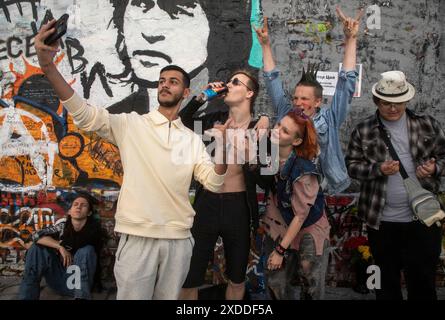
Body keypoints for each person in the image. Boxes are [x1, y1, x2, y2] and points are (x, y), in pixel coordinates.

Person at [34, 20, 228, 300]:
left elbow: (213, 182)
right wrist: (48, 66)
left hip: (178, 240)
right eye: (162, 81)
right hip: (138, 239)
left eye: (173, 82)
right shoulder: (132, 125)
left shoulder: (191, 139)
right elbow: (84, 115)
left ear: (185, 92)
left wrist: (222, 150)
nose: (165, 85)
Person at [345, 70, 445, 300]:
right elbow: (351, 166)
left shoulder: (427, 125)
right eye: (386, 103)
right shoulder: (363, 130)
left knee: (423, 285)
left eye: (399, 103)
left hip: (423, 220)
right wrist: (378, 169)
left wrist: (435, 168)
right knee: (384, 285)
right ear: (377, 101)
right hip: (381, 222)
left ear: (407, 100)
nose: (393, 108)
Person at [178, 70, 273, 300]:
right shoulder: (214, 120)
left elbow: (269, 180)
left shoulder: (260, 128)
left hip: (238, 207)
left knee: (237, 277)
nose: (229, 85)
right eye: (229, 81)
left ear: (249, 93)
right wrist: (204, 96)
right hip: (206, 203)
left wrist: (251, 156)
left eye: (235, 82)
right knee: (189, 276)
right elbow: (183, 120)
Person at [254, 7, 361, 194]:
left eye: (304, 98)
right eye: (295, 97)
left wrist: (351, 39)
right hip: (286, 186)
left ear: (318, 102)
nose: (297, 102)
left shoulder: (330, 119)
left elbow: (346, 83)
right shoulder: (285, 112)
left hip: (323, 189)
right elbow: (272, 79)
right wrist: (265, 45)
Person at [106, 0, 255, 114]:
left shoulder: (218, 121)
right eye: (141, 3)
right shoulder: (118, 118)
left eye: (179, 10)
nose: (150, 33)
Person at [261, 109, 330, 300]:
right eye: (278, 125)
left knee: (311, 282)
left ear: (297, 141)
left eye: (284, 131)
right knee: (276, 282)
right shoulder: (268, 151)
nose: (276, 131)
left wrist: (280, 250)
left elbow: (301, 215)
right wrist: (263, 118)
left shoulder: (303, 170)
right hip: (280, 222)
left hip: (309, 226)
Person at [19, 193, 101, 300]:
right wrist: (60, 247)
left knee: (86, 250)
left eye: (83, 205)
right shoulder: (62, 226)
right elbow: (35, 236)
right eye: (75, 204)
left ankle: (81, 297)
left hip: (80, 284)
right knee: (36, 248)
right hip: (58, 280)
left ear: (89, 213)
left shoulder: (94, 231)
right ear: (69, 211)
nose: (78, 206)